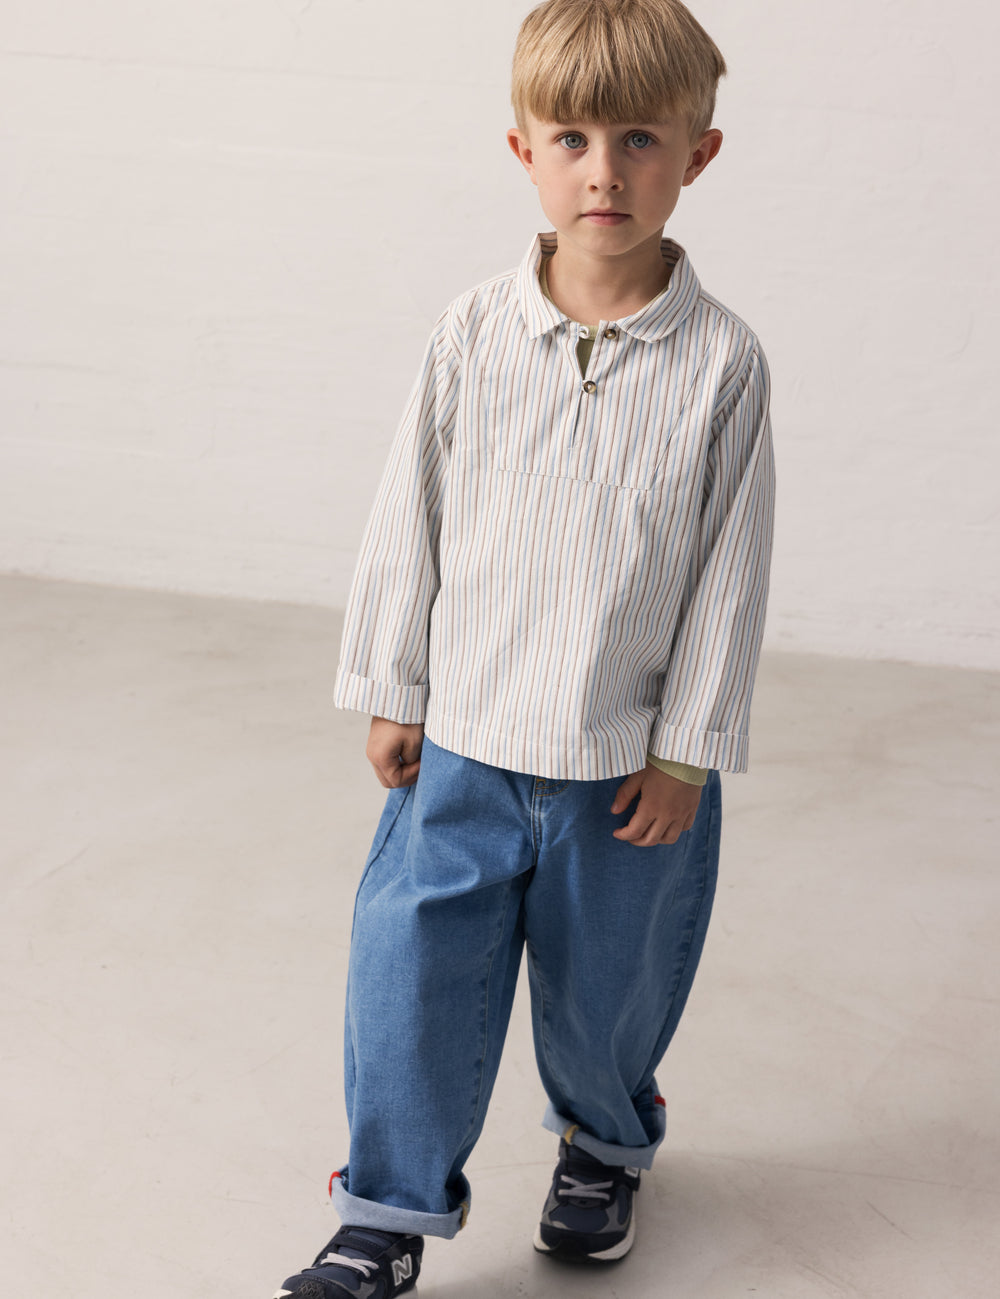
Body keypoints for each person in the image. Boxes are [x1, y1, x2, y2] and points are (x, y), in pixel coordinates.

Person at [274, 0, 774, 1294]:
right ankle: (383, 1214)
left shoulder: (722, 365)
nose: (605, 171)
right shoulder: (472, 334)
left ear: (699, 154)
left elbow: (731, 572)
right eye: (573, 139)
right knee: (411, 978)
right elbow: (411, 514)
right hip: (463, 748)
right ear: (524, 152)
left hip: (625, 773)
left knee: (607, 991)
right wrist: (394, 685)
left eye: (641, 139)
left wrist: (687, 754)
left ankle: (602, 1145)